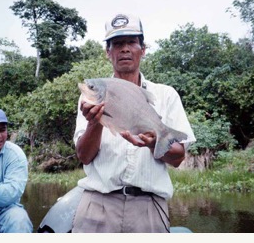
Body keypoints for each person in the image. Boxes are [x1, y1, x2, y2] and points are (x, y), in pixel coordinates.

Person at [72, 13, 196, 233]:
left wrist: (152, 144)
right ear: (108, 53)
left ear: (143, 49)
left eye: (132, 42)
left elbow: (178, 158)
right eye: (117, 44)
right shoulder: (89, 99)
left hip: (148, 207)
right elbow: (84, 156)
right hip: (97, 205)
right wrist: (95, 122)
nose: (125, 49)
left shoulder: (166, 95)